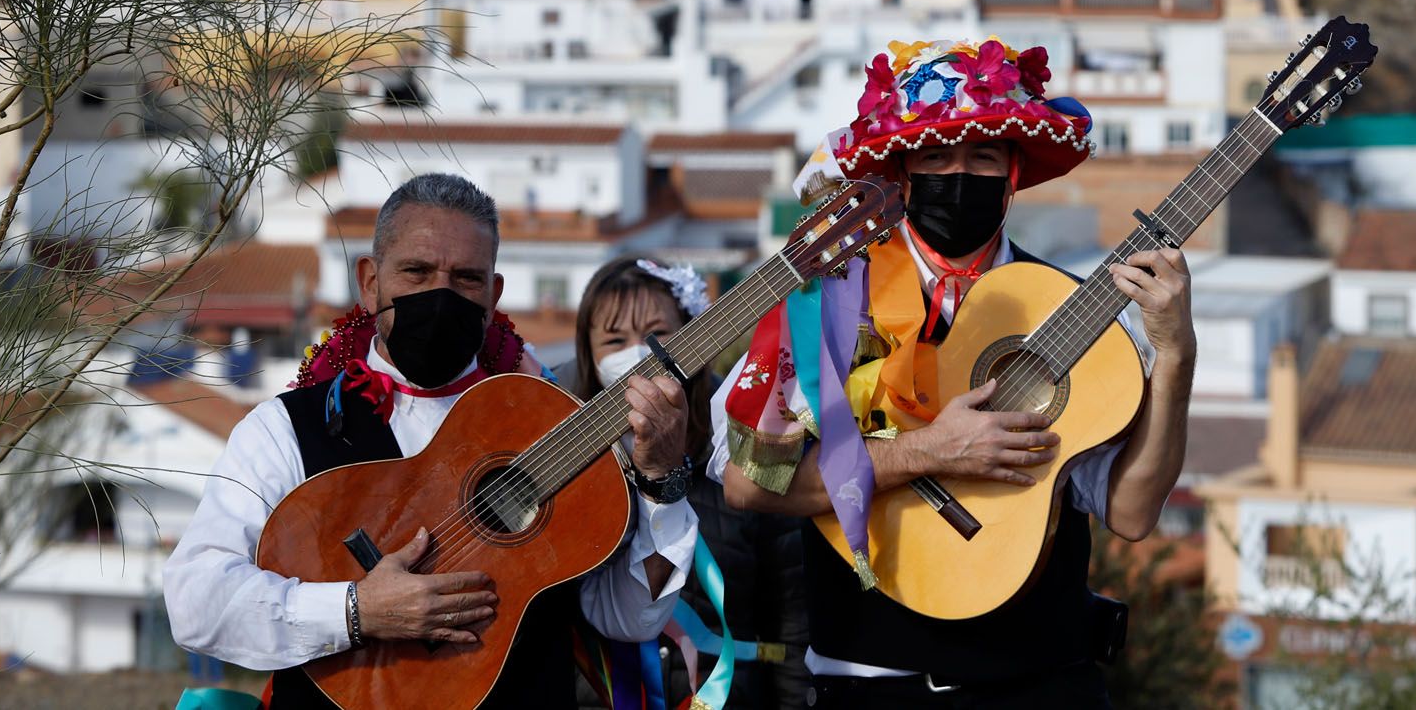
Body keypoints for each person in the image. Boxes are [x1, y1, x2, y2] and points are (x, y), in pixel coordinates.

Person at [713, 39, 1195, 709]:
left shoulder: (1064, 310)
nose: (959, 173)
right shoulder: (828, 299)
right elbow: (747, 480)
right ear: (903, 171)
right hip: (869, 689)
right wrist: (923, 451)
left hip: (1045, 686)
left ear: (1014, 171)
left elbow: (1133, 511)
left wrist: (1176, 355)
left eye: (983, 155)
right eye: (936, 155)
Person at [164, 173, 699, 708]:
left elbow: (628, 620)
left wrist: (661, 483)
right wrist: (356, 610)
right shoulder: (285, 429)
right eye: (417, 272)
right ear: (370, 281)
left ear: (493, 296)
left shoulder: (548, 424)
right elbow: (196, 602)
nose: (440, 295)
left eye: (465, 278)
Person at [572, 256, 812, 710]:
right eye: (613, 340)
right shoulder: (569, 479)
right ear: (588, 354)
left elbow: (793, 622)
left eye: (657, 335)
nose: (637, 356)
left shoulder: (750, 456)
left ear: (694, 338)